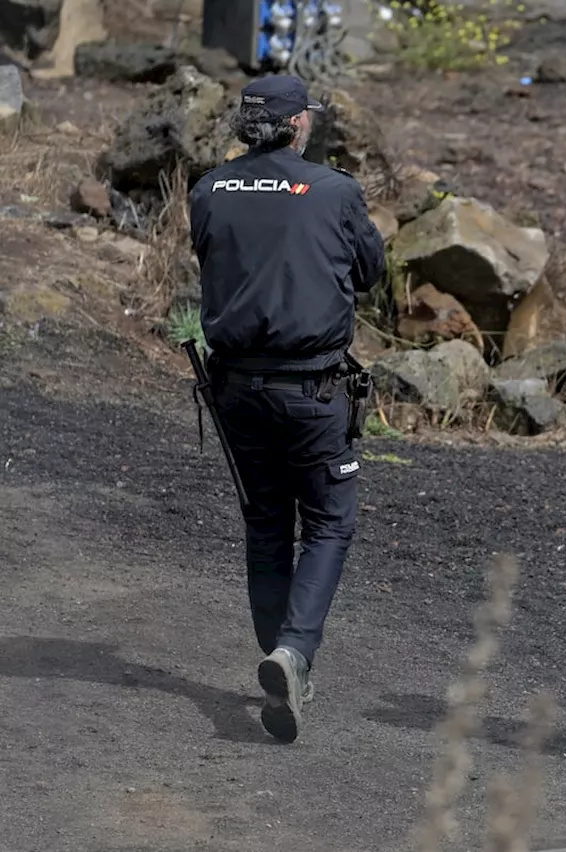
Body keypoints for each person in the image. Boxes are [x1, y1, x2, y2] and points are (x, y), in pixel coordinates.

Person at [187, 74, 386, 744]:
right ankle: (293, 654)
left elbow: (213, 260)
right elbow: (371, 271)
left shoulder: (209, 189)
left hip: (236, 389)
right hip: (314, 390)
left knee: (266, 522)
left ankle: (283, 661)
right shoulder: (334, 190)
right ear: (299, 124)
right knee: (330, 521)